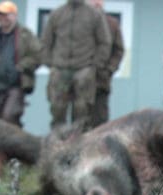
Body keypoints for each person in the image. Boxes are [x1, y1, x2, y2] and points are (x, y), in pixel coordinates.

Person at [41, 0, 111, 129]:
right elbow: (46, 42)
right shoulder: (57, 14)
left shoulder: (94, 15)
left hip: (84, 70)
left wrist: (94, 65)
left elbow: (105, 43)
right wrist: (50, 64)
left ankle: (78, 145)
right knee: (57, 110)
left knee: (82, 112)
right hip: (60, 69)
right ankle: (57, 144)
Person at [0, 1, 41, 127]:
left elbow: (38, 56)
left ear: (14, 16)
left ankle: (14, 146)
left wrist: (20, 67)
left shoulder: (25, 35)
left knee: (9, 117)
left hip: (15, 85)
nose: (2, 18)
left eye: (6, 14)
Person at [87, 0, 124, 127]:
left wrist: (109, 69)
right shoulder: (80, 23)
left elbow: (119, 50)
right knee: (80, 122)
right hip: (79, 83)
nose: (96, 2)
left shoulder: (112, 24)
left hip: (101, 81)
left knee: (100, 121)